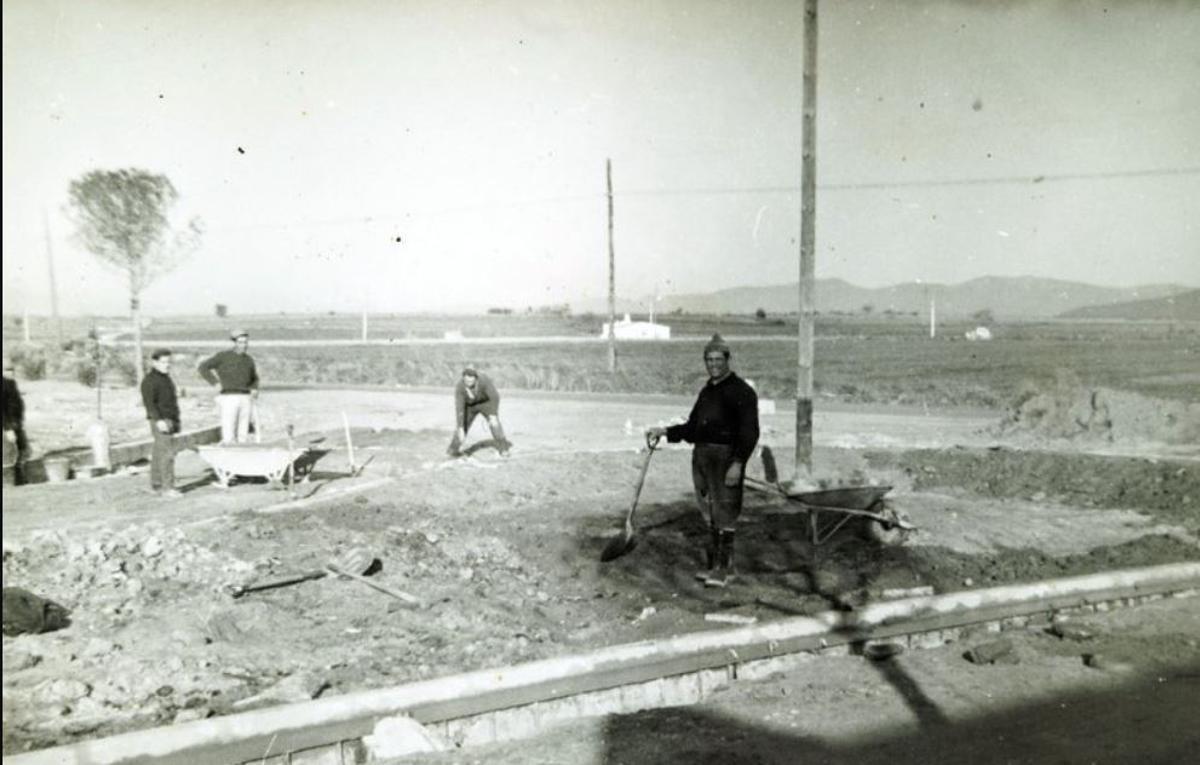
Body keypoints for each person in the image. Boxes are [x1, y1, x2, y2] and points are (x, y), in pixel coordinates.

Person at [647, 334, 759, 588]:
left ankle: (723, 569)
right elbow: (693, 428)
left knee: (725, 510)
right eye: (709, 359)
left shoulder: (742, 392)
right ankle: (717, 566)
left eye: (718, 359)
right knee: (708, 511)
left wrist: (738, 463)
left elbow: (750, 432)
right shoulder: (707, 391)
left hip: (726, 457)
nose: (713, 364)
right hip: (702, 456)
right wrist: (665, 431)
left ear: (728, 360)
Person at [198, 329, 259, 444]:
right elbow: (203, 367)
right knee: (229, 428)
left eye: (246, 342)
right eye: (240, 342)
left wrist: (254, 388)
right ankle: (228, 449)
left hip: (245, 398)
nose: (244, 345)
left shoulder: (249, 360)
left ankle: (242, 452)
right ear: (234, 343)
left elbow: (254, 378)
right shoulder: (223, 357)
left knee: (243, 430)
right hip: (229, 397)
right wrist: (215, 383)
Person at [140, 348, 182, 497]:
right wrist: (158, 420)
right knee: (167, 454)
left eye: (169, 362)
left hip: (169, 419)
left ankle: (156, 484)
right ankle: (168, 488)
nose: (167, 365)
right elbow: (149, 403)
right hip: (161, 421)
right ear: (155, 362)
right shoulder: (150, 380)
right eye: (163, 362)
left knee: (159, 452)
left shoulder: (166, 379)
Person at [447, 367, 511, 458]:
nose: (469, 380)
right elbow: (459, 408)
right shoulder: (460, 387)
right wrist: (460, 426)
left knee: (494, 423)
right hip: (470, 406)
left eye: (471, 377)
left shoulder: (484, 380)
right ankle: (453, 449)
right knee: (461, 428)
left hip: (486, 403)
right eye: (466, 378)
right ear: (463, 378)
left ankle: (503, 448)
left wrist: (493, 414)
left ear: (476, 378)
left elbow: (495, 397)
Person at [2, 357, 30, 484]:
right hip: (7, 427)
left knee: (24, 451)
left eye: (12, 370)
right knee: (9, 457)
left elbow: (16, 405)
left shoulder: (11, 384)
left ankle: (19, 480)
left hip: (16, 425)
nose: (11, 372)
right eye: (7, 370)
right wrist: (8, 429)